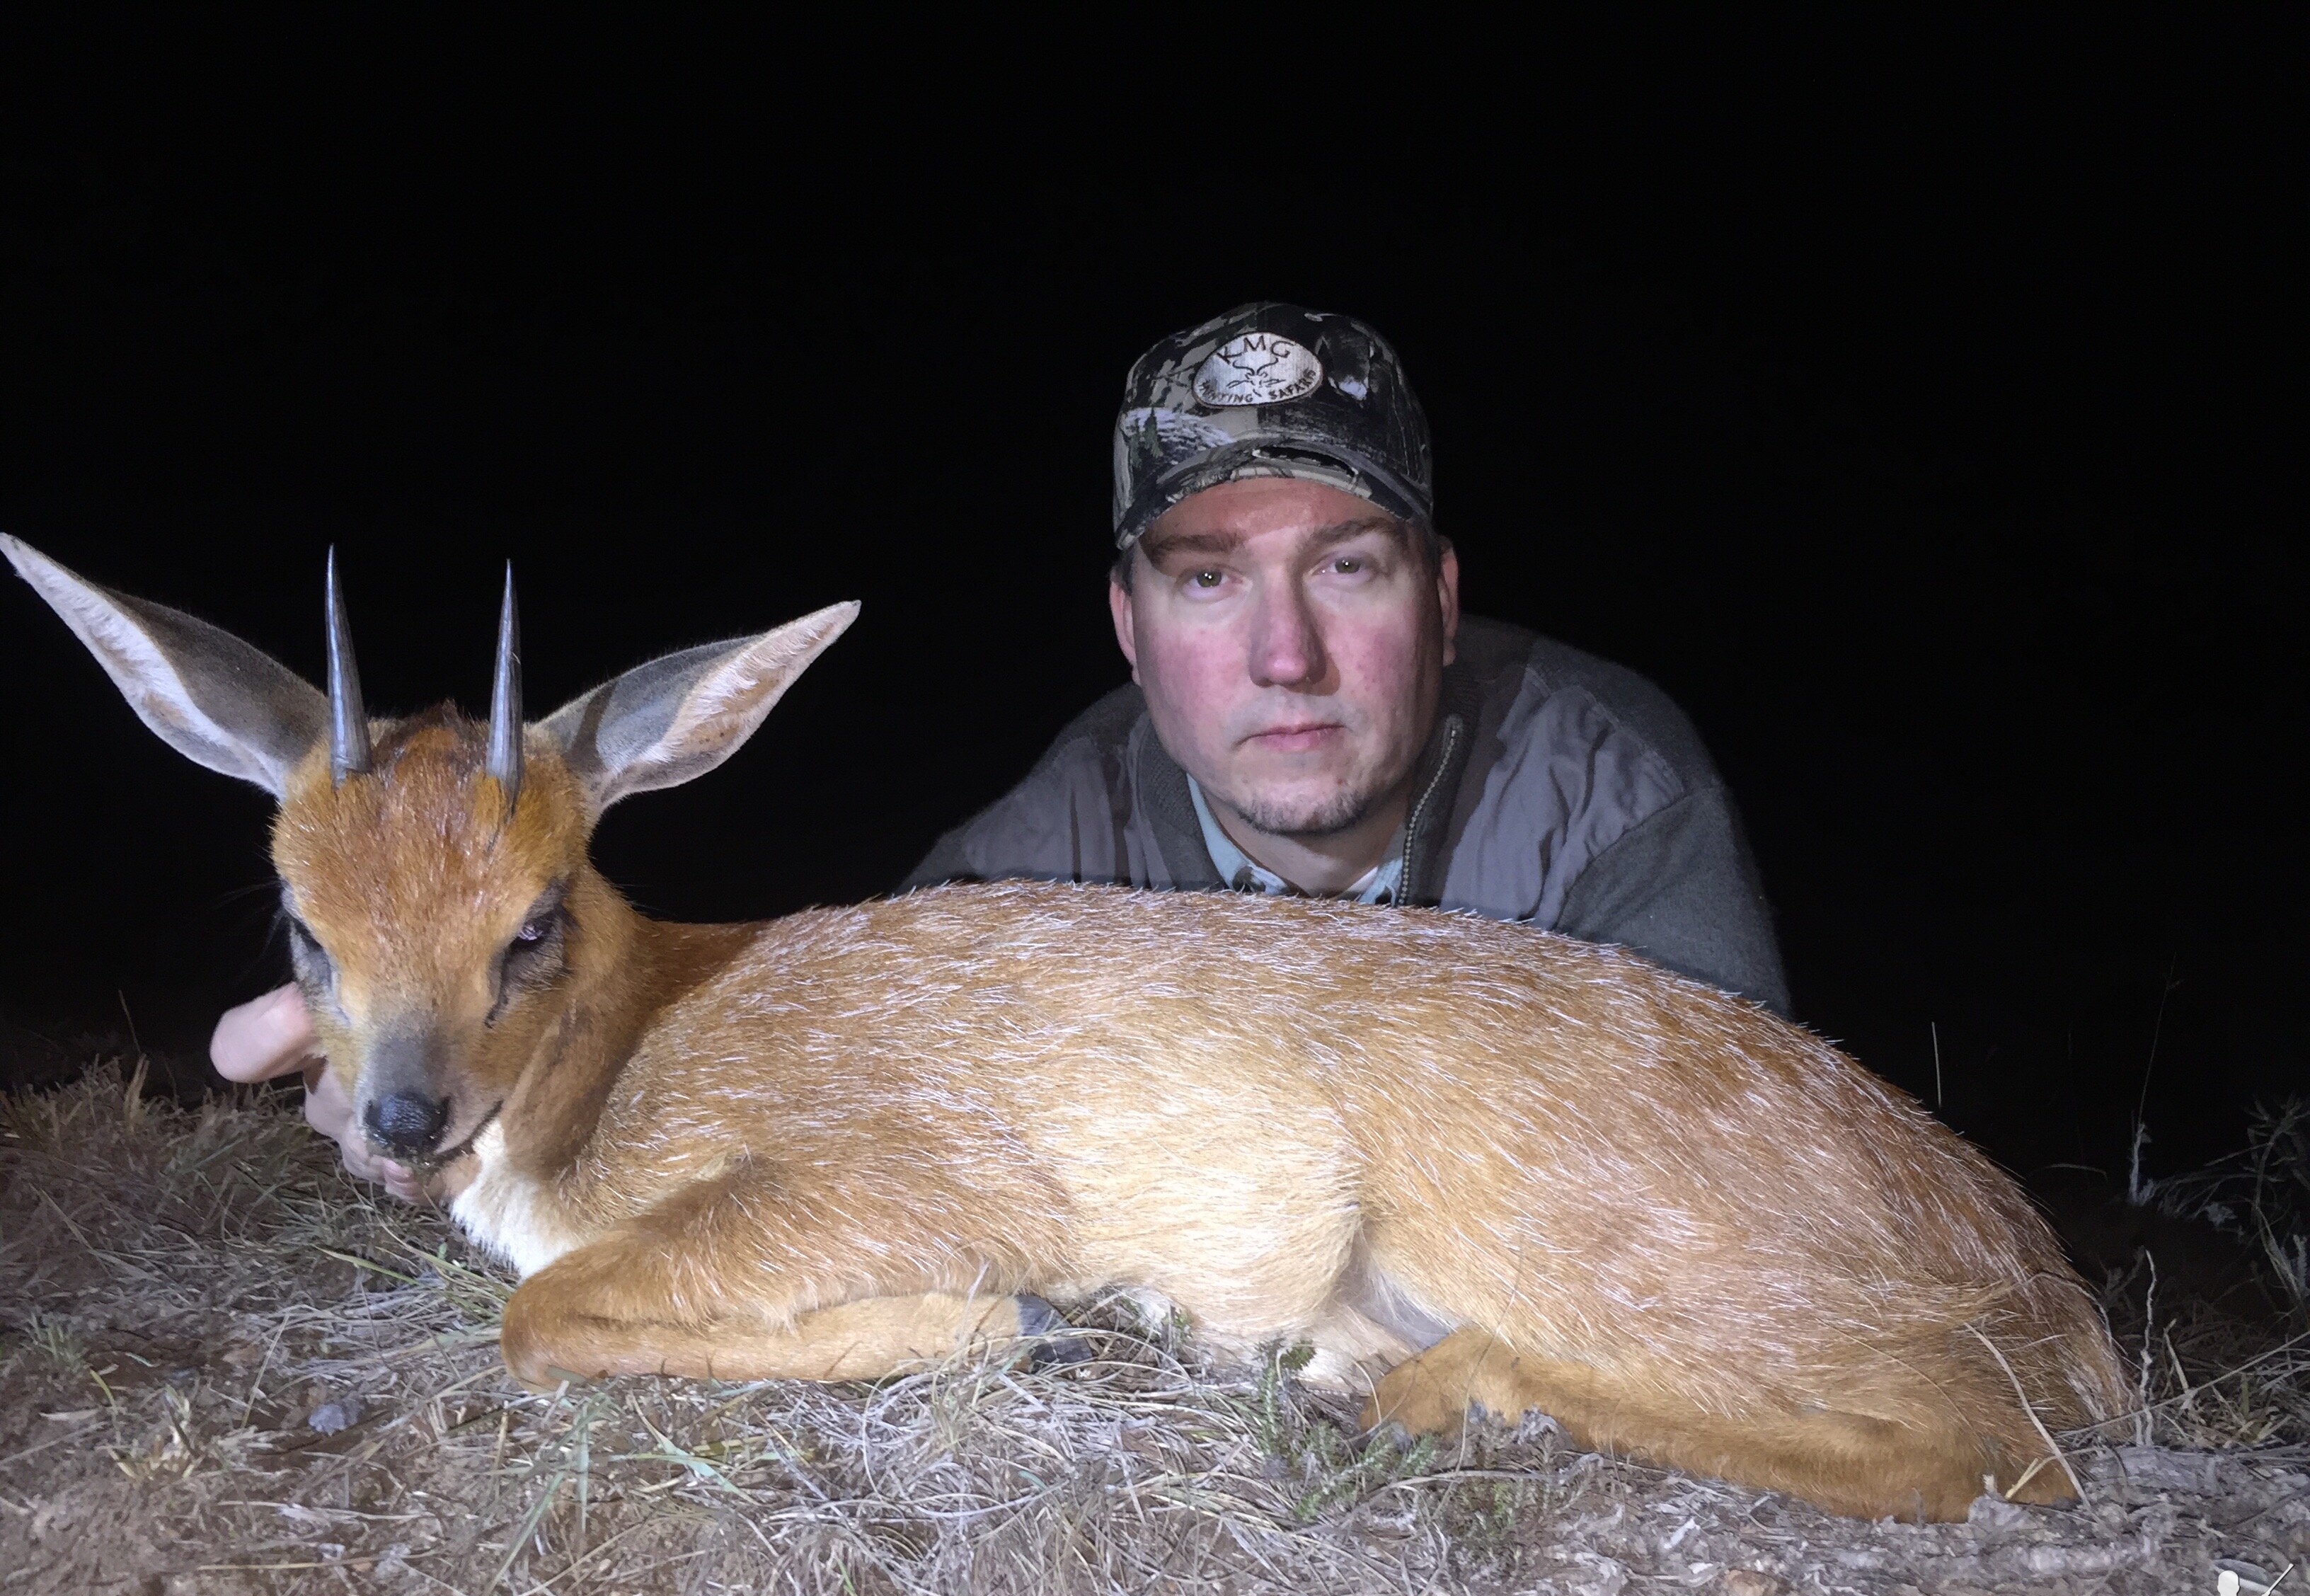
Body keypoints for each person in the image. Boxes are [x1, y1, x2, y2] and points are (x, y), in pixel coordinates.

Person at [214, 302, 1787, 1197]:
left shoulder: (1607, 798)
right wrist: (437, 1048)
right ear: (1128, 624)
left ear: (1442, 601)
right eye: (1209, 578)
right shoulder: (1051, 844)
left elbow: (1752, 1177)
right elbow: (834, 1097)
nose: (1286, 650)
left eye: (1351, 566)